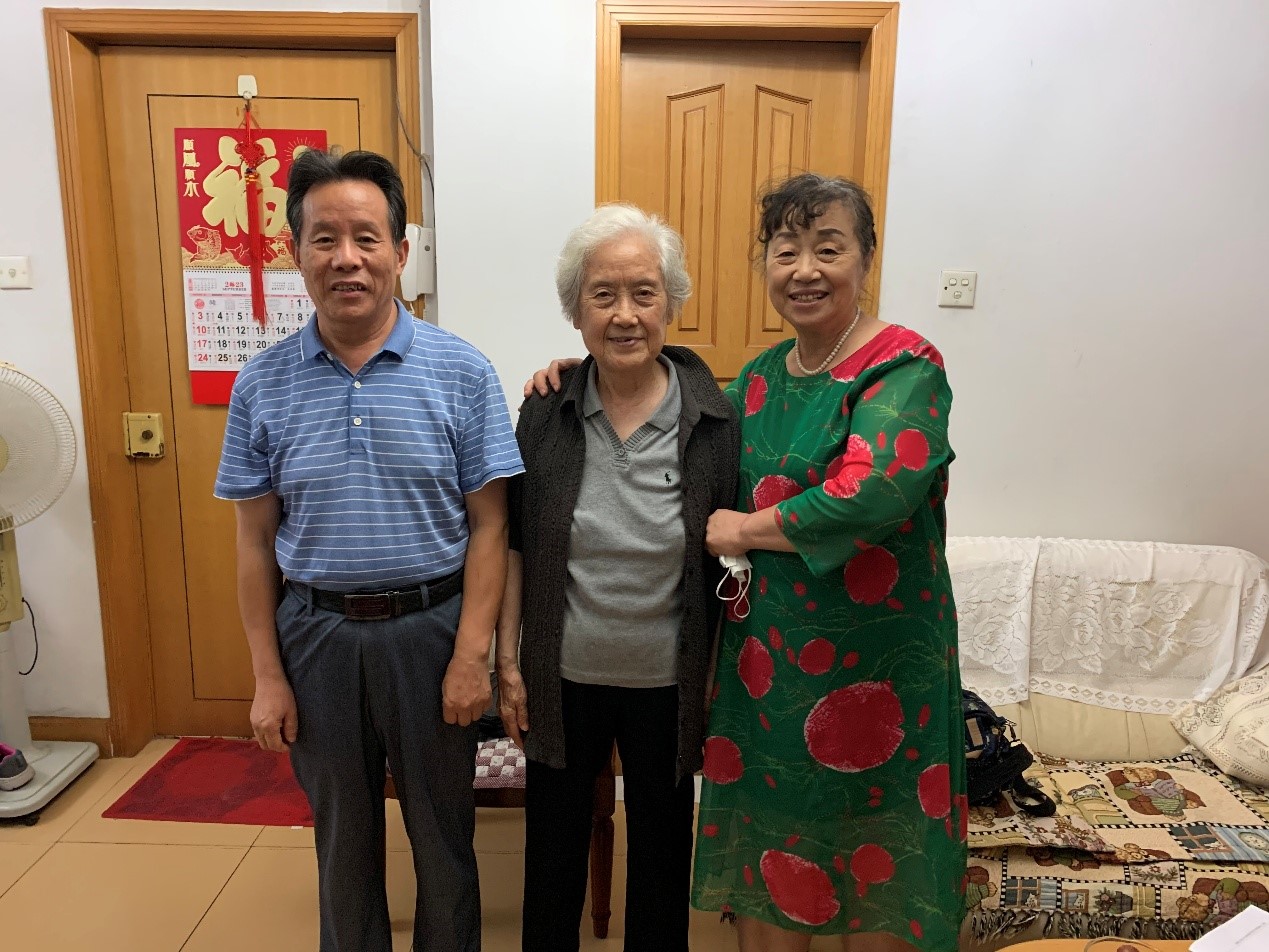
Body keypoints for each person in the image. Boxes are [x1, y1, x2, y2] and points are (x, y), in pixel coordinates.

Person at [529, 173, 966, 952]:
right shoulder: (757, 382)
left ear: (865, 258)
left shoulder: (901, 366)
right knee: (776, 862)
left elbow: (873, 492)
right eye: (785, 250)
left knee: (875, 863)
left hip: (876, 671)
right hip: (769, 677)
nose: (804, 269)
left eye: (828, 248)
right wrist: (575, 369)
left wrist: (744, 530)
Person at [214, 149, 523, 952]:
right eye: (324, 239)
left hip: (432, 634)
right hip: (315, 637)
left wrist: (472, 656)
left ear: (400, 251)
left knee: (444, 835)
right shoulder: (261, 383)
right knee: (341, 841)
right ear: (296, 253)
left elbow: (492, 527)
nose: (346, 258)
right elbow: (254, 541)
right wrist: (267, 676)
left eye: (365, 237)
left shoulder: (462, 371)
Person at [496, 204, 739, 952]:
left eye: (643, 293)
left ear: (671, 303)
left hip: (669, 681)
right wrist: (508, 663)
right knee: (552, 860)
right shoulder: (545, 411)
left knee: (662, 859)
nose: (625, 314)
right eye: (603, 295)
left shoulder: (716, 422)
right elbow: (515, 546)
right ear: (576, 311)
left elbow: (732, 564)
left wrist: (715, 670)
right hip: (561, 676)